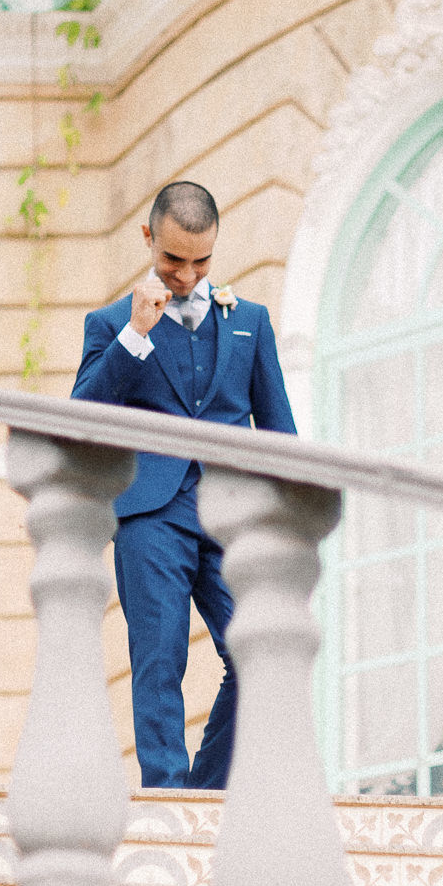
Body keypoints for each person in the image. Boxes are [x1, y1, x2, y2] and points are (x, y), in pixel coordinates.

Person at [70, 181, 296, 789]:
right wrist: (135, 335)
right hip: (151, 514)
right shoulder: (111, 324)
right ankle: (167, 799)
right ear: (148, 238)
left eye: (202, 261)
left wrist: (286, 522)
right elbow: (82, 418)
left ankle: (203, 795)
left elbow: (280, 431)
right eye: (173, 259)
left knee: (261, 653)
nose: (188, 275)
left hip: (234, 516)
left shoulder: (250, 321)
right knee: (159, 662)